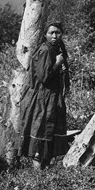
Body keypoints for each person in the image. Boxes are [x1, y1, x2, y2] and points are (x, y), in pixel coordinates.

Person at [18, 21, 70, 170]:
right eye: (51, 33)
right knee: (41, 128)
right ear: (45, 35)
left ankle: (45, 167)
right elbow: (44, 77)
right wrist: (57, 63)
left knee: (50, 129)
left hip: (53, 96)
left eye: (57, 32)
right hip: (43, 97)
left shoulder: (58, 49)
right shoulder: (45, 50)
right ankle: (37, 170)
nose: (54, 36)